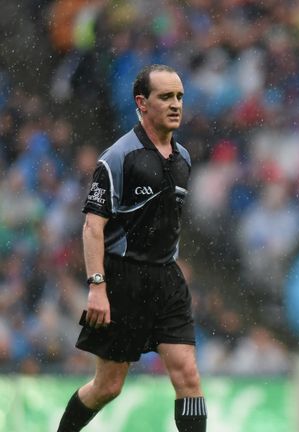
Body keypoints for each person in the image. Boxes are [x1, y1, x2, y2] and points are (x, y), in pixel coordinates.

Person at [57, 64, 206, 432]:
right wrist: (97, 286)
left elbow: (165, 220)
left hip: (167, 280)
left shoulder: (183, 159)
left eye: (180, 97)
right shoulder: (117, 158)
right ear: (142, 102)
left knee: (188, 374)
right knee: (108, 387)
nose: (176, 105)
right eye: (166, 97)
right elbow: (93, 227)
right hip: (123, 279)